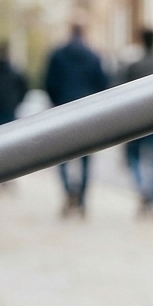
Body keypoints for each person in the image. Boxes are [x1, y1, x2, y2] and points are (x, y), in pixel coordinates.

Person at [44, 24, 110, 217]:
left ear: (70, 31)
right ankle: (81, 198)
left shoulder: (57, 55)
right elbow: (103, 84)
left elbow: (49, 83)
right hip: (87, 114)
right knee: (86, 159)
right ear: (84, 32)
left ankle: (68, 191)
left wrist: (57, 102)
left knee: (61, 158)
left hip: (63, 111)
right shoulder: (93, 56)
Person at [122, 29, 153, 218]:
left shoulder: (134, 67)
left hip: (137, 123)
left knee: (134, 159)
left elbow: (125, 97)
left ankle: (143, 188)